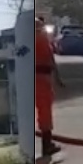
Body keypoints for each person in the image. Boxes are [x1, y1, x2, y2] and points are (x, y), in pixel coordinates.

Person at [35, 17, 63, 156]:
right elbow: (51, 60)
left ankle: (45, 145)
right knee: (44, 111)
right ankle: (47, 146)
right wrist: (57, 78)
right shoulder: (41, 38)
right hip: (41, 79)